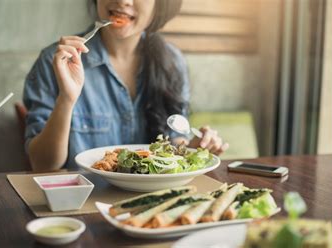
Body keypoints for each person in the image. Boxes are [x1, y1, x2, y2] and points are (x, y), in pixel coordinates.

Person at [23, 0, 228, 172]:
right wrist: (66, 100)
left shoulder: (172, 62)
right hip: (83, 203)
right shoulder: (57, 60)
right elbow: (42, 165)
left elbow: (174, 141)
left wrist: (193, 149)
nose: (123, 0)